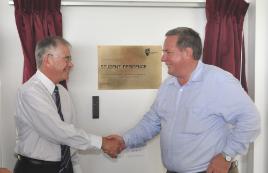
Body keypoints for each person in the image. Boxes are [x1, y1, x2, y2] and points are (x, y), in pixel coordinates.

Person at [104, 27, 260, 173]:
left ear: (187, 52)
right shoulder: (168, 86)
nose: (162, 58)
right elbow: (152, 122)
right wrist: (125, 141)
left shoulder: (218, 81)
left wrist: (227, 156)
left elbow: (250, 120)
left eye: (167, 52)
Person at [13, 36, 119, 173]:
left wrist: (76, 168)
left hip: (65, 167)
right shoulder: (30, 91)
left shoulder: (62, 92)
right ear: (48, 60)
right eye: (67, 58)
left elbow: (70, 133)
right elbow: (57, 131)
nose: (71, 64)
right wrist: (102, 143)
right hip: (36, 169)